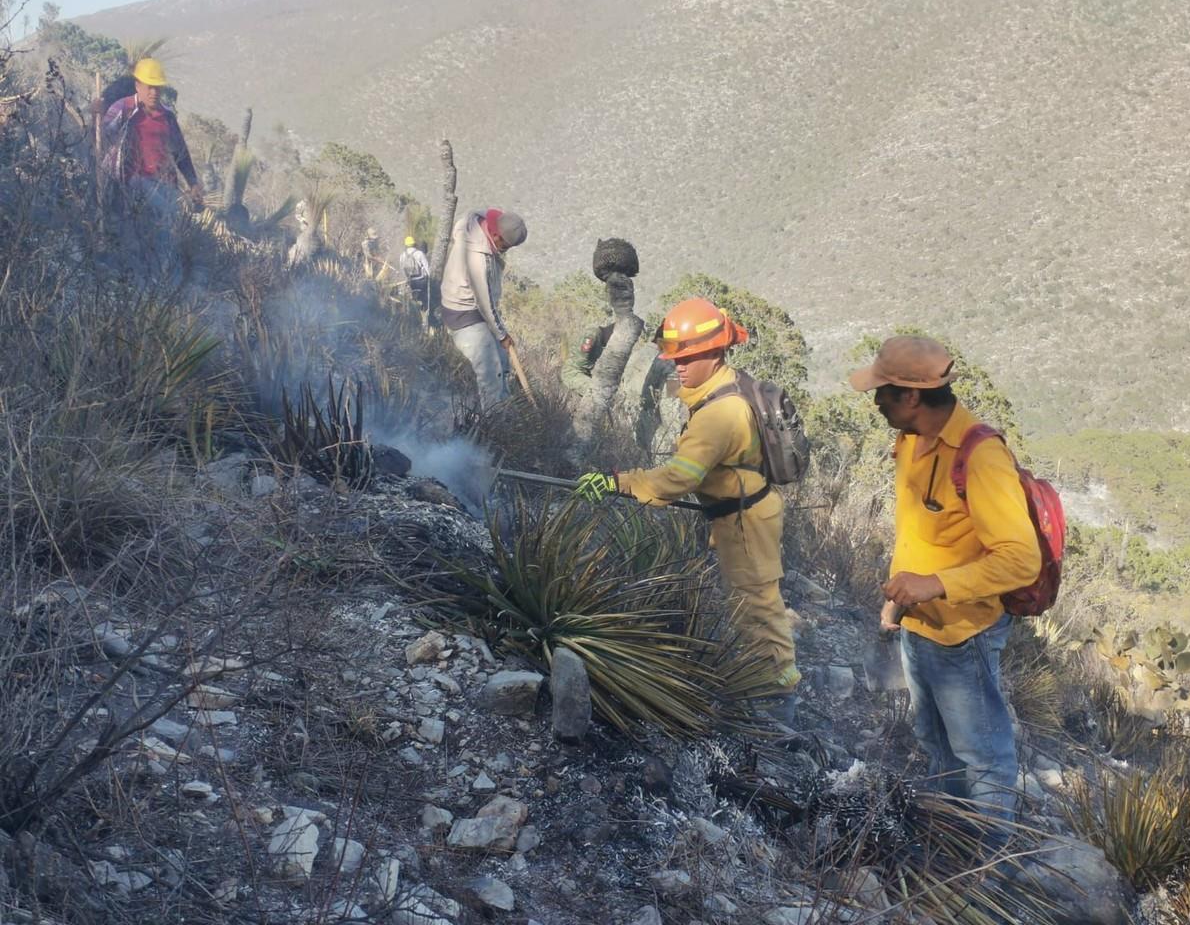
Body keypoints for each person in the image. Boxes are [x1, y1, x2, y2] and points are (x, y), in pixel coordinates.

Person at [575, 298, 801, 721]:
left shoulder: (719, 414)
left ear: (716, 353)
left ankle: (776, 703)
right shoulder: (725, 387)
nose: (678, 365)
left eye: (689, 356)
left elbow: (679, 479)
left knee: (758, 605)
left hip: (744, 521)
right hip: (741, 512)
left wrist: (618, 482)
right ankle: (759, 680)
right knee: (749, 601)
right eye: (675, 356)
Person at [848, 335, 1041, 828]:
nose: (876, 400)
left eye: (884, 391)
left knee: (982, 758)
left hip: (964, 636)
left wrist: (933, 585)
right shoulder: (911, 439)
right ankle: (950, 841)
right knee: (935, 745)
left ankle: (989, 870)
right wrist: (899, 599)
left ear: (911, 396)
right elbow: (920, 530)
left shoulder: (980, 455)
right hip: (920, 627)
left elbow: (1022, 560)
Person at [439, 208, 526, 410]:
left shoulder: (481, 222)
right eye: (505, 245)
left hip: (477, 311)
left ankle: (505, 406)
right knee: (490, 370)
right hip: (463, 313)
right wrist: (502, 335)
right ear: (495, 235)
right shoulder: (476, 258)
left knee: (503, 360)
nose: (506, 250)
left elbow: (485, 212)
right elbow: (484, 303)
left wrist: (501, 336)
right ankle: (494, 421)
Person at [99, 58, 203, 222]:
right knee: (166, 216)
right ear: (138, 85)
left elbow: (180, 152)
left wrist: (193, 183)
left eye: (157, 87)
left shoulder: (167, 116)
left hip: (164, 183)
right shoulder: (123, 109)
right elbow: (101, 139)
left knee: (171, 223)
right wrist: (95, 116)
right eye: (149, 87)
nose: (153, 93)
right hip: (131, 181)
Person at [399, 234, 433, 324]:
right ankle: (425, 317)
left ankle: (416, 317)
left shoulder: (402, 255)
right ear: (414, 244)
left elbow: (402, 270)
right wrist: (432, 279)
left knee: (415, 299)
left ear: (406, 245)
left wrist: (408, 280)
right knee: (425, 299)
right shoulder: (419, 254)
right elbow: (427, 268)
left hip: (411, 282)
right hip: (422, 281)